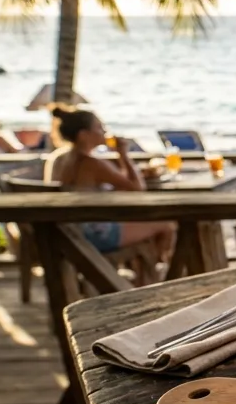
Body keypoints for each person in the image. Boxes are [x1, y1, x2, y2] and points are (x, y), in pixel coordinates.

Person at [46, 107, 175, 278]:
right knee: (167, 224)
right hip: (92, 236)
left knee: (139, 222)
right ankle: (160, 272)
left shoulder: (58, 159)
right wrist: (123, 155)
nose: (105, 132)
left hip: (64, 231)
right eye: (100, 128)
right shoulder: (91, 163)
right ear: (84, 135)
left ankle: (143, 273)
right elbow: (138, 188)